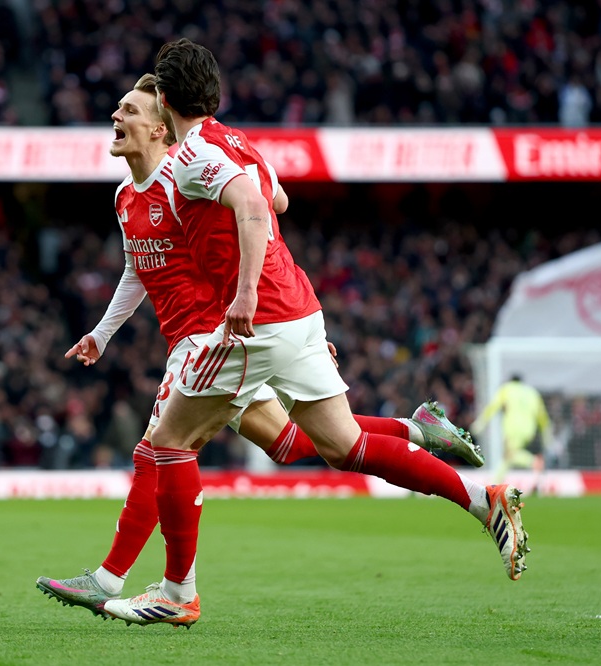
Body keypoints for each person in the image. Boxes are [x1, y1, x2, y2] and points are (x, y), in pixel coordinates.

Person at [100, 41, 529, 629]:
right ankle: (482, 500)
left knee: (168, 444)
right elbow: (276, 194)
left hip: (254, 321)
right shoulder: (235, 141)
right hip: (299, 308)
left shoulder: (195, 153)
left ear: (166, 102)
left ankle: (177, 592)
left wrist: (245, 290)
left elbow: (254, 204)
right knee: (344, 445)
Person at [471, 374, 552, 485]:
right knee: (507, 457)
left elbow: (493, 407)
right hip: (529, 430)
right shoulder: (532, 393)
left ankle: (533, 461)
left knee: (510, 455)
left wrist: (480, 424)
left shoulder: (507, 388)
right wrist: (546, 435)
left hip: (513, 428)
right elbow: (542, 417)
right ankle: (494, 485)